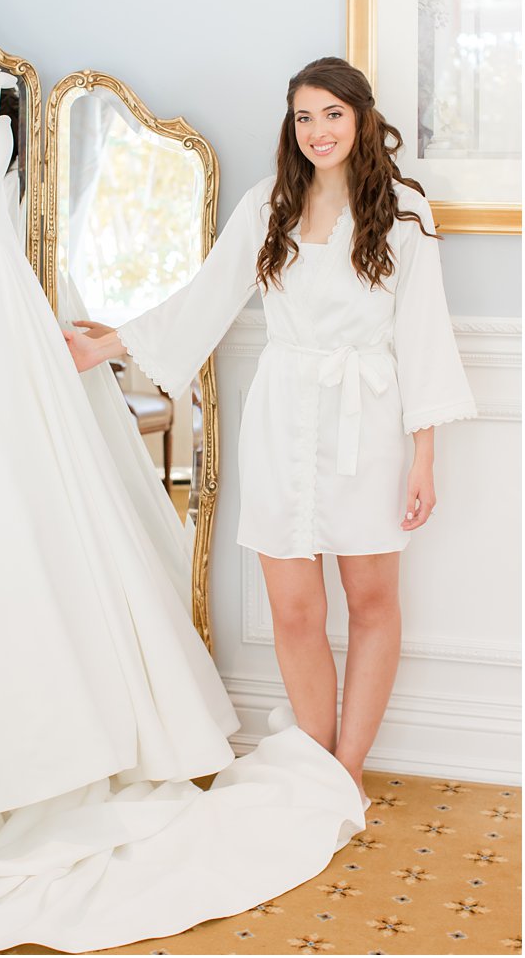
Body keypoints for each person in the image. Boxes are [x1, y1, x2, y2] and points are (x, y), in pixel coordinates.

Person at [66, 56, 476, 797]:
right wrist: (108, 343)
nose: (319, 130)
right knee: (294, 607)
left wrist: (424, 458)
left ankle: (347, 771)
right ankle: (317, 768)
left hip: (371, 423)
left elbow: (423, 338)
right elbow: (205, 298)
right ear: (292, 126)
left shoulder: (407, 212)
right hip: (284, 416)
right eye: (304, 117)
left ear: (361, 117)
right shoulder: (269, 206)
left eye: (333, 114)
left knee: (374, 601)